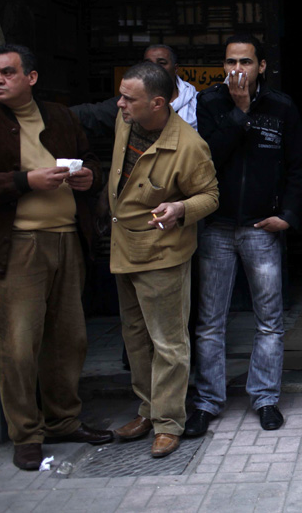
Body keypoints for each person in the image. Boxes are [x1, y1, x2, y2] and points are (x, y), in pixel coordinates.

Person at [0, 44, 113, 470]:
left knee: (68, 340)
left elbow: (93, 159)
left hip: (66, 241)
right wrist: (25, 180)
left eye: (7, 72)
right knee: (19, 346)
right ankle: (26, 433)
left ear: (32, 77)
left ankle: (63, 420)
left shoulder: (59, 116)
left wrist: (89, 177)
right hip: (16, 247)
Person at [187, 34, 302, 436]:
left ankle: (265, 398)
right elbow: (205, 160)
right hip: (217, 227)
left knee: (270, 320)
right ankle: (206, 402)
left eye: (245, 62)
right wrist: (239, 113)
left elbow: (297, 167)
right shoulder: (208, 104)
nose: (236, 69)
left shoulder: (281, 107)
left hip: (262, 228)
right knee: (209, 321)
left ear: (261, 67)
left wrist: (288, 216)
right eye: (230, 62)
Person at [108, 62, 218, 458]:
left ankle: (169, 423)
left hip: (163, 253)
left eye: (128, 98)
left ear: (157, 103)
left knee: (168, 343)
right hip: (124, 248)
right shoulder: (126, 122)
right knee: (135, 339)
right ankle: (148, 411)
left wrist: (180, 209)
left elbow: (210, 196)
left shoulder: (189, 145)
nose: (119, 104)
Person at [72, 44, 198, 137]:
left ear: (175, 69)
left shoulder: (198, 104)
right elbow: (91, 114)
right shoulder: (127, 104)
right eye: (148, 63)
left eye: (162, 63)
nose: (154, 68)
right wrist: (55, 113)